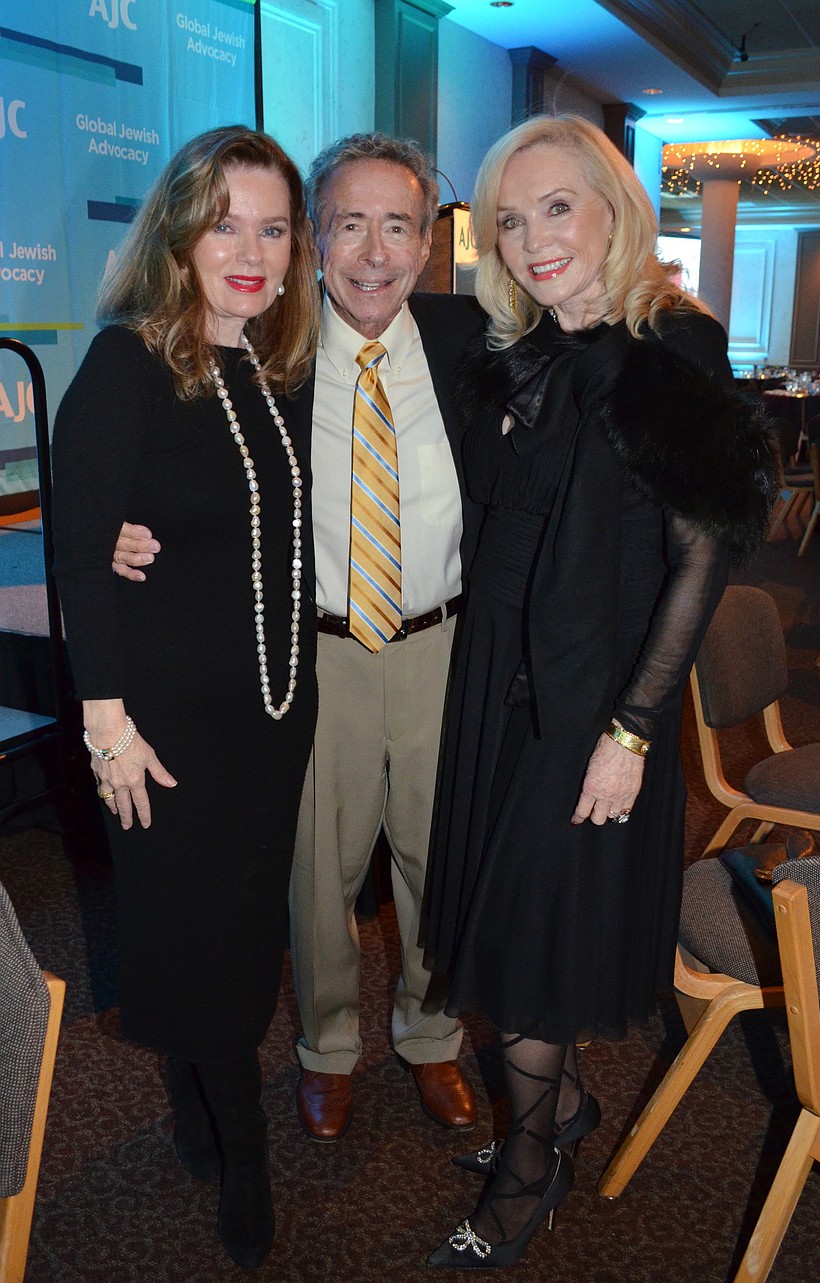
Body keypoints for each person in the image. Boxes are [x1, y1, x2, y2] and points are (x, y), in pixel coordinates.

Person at [423, 115, 778, 1270]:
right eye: (511, 220)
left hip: (594, 704)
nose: (532, 240)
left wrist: (631, 729)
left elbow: (702, 554)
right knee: (503, 912)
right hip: (505, 686)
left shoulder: (667, 347)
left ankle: (531, 1168)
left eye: (556, 207)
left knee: (528, 938)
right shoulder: (526, 349)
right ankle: (557, 1105)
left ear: (613, 206)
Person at [111, 132, 484, 1144]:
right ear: (315, 241)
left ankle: (433, 1034)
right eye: (348, 224)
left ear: (424, 240)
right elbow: (177, 452)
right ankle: (326, 1045)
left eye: (396, 224)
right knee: (317, 872)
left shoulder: (470, 342)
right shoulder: (272, 356)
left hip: (445, 648)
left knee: (437, 858)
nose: (372, 250)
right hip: (310, 655)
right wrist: (117, 521)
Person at [51, 126, 320, 1271]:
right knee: (191, 930)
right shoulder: (126, 361)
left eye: (271, 227)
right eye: (226, 224)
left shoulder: (278, 361)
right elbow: (76, 553)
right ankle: (241, 1139)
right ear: (180, 229)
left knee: (247, 930)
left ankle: (203, 1104)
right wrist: (105, 724)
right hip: (159, 726)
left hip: (271, 718)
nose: (250, 251)